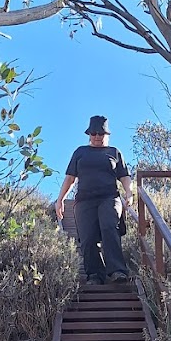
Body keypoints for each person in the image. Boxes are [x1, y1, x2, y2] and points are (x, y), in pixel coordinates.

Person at [54, 115, 133, 284]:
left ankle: (118, 271)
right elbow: (70, 178)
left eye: (101, 133)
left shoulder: (114, 152)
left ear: (107, 134)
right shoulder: (80, 152)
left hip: (109, 197)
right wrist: (60, 199)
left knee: (109, 227)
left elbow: (124, 176)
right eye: (94, 133)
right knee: (88, 237)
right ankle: (95, 274)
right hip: (84, 201)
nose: (97, 136)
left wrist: (129, 193)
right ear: (89, 134)